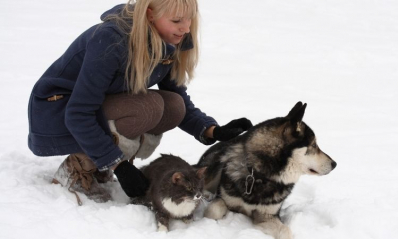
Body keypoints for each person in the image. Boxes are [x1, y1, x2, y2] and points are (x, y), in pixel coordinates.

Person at [27, 0, 252, 205]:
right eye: (176, 20)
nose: (185, 28)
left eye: (189, 18)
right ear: (151, 15)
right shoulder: (111, 40)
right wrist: (119, 166)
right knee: (148, 107)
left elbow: (178, 97)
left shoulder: (169, 38)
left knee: (173, 106)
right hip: (56, 110)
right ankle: (78, 168)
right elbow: (79, 112)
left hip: (96, 107)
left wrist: (212, 131)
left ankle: (102, 164)